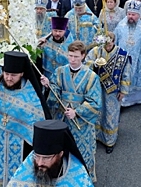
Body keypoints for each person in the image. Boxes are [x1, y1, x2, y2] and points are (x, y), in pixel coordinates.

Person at [0, 51, 50, 187]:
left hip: (22, 145)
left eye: (13, 75)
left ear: (22, 74)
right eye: (6, 74)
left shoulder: (31, 93)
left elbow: (39, 118)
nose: (8, 78)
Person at [40, 41, 102, 181]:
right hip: (61, 118)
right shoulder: (60, 71)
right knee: (61, 150)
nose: (72, 60)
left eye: (76, 56)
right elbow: (55, 91)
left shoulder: (91, 77)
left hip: (81, 122)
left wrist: (77, 111)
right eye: (70, 56)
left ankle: (83, 178)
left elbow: (95, 102)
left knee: (81, 151)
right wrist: (48, 86)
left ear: (83, 56)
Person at [7, 120, 93, 187]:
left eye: (46, 158)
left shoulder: (78, 175)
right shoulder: (26, 167)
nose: (40, 163)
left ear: (60, 154)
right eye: (37, 156)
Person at [85, 31, 130, 153]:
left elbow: (126, 74)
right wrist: (94, 63)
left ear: (114, 42)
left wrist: (123, 91)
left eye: (109, 44)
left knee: (111, 115)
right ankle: (96, 136)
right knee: (97, 112)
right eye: (105, 44)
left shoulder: (122, 54)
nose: (107, 47)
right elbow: (86, 63)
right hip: (96, 88)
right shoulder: (96, 51)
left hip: (113, 91)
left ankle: (110, 141)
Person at [115, 0, 141, 106]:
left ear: (139, 14)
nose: (130, 17)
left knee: (137, 76)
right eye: (129, 14)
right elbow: (116, 38)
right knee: (123, 77)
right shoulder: (121, 24)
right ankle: (123, 99)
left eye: (133, 14)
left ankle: (136, 98)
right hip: (123, 58)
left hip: (138, 58)